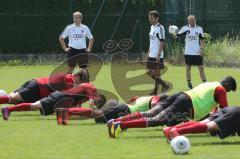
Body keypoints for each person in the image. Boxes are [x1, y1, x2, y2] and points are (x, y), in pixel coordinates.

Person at [108, 76, 236, 138]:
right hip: (186, 104)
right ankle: (120, 126)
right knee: (156, 120)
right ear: (228, 85)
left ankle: (116, 121)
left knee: (149, 113)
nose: (228, 92)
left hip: (181, 95)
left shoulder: (211, 84)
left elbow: (214, 109)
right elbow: (224, 109)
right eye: (230, 89)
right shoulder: (221, 90)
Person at [1, 83, 106, 120]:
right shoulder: (92, 89)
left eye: (99, 104)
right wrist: (94, 112)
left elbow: (77, 103)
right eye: (99, 101)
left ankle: (8, 109)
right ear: (99, 95)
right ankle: (8, 109)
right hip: (60, 97)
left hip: (62, 99)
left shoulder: (87, 94)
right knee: (35, 106)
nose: (97, 103)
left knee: (37, 107)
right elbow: (91, 105)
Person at [55, 94, 168, 125]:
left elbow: (131, 99)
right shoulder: (155, 99)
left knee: (97, 116)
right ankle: (66, 112)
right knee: (96, 114)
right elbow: (154, 106)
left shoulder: (147, 96)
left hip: (124, 108)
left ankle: (66, 113)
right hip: (125, 111)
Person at [0, 70, 89, 105]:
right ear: (77, 76)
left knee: (11, 99)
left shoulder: (68, 77)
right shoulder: (70, 79)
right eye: (81, 81)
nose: (80, 83)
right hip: (37, 88)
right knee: (11, 98)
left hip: (35, 83)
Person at [163, 106, 240, 142]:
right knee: (209, 127)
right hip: (236, 114)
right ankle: (178, 131)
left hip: (232, 109)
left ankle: (170, 129)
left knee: (201, 123)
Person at [170, 15, 206, 89]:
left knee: (201, 68)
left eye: (193, 20)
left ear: (195, 20)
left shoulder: (199, 28)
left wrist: (202, 49)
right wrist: (172, 32)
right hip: (188, 52)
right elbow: (177, 36)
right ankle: (189, 84)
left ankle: (205, 83)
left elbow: (202, 40)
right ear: (188, 21)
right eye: (190, 21)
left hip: (197, 52)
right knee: (188, 68)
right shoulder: (185, 28)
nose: (192, 22)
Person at [147, 10, 169, 95]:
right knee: (149, 72)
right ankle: (164, 85)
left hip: (157, 54)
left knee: (157, 73)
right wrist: (148, 52)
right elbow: (151, 41)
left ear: (156, 18)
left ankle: (155, 91)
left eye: (151, 18)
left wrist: (159, 54)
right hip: (151, 54)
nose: (150, 19)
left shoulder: (160, 28)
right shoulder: (152, 27)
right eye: (149, 18)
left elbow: (162, 41)